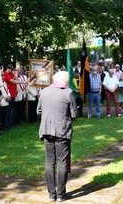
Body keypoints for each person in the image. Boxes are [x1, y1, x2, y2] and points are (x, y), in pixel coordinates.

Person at [37, 71, 78, 202]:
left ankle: (51, 195)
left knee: (49, 162)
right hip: (62, 131)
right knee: (62, 162)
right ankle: (60, 194)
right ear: (65, 80)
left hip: (47, 130)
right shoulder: (68, 92)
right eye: (67, 79)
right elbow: (74, 114)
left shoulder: (44, 92)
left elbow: (38, 111)